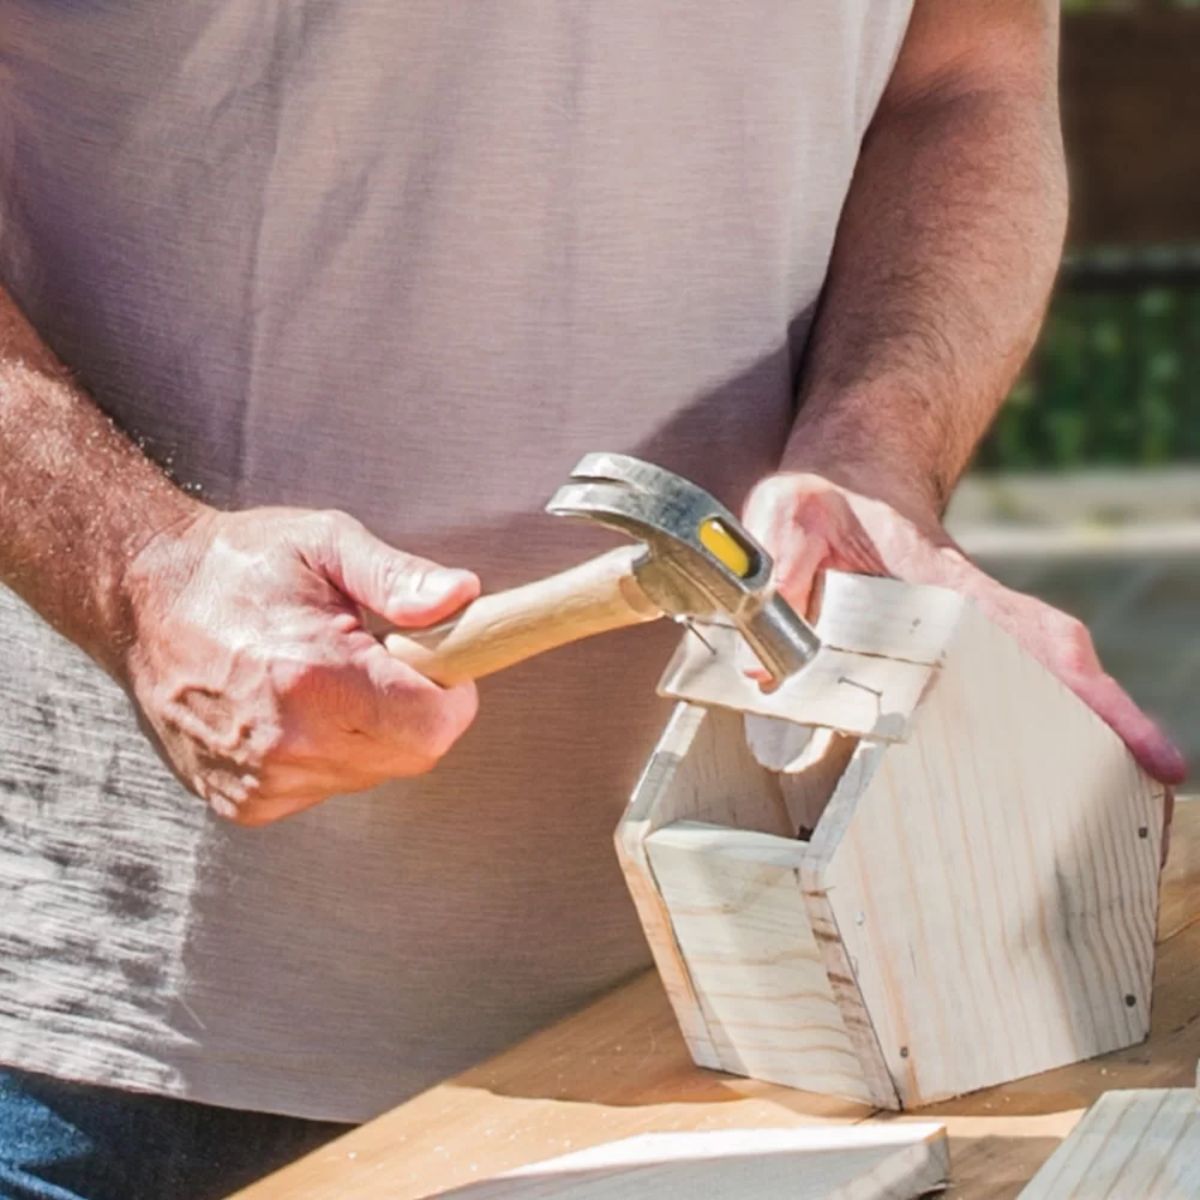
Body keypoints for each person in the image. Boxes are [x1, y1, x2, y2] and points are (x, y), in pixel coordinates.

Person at [0, 2, 1184, 1197]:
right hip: (144, 1051)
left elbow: (962, 75)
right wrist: (139, 568)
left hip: (787, 1016)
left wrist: (876, 442)